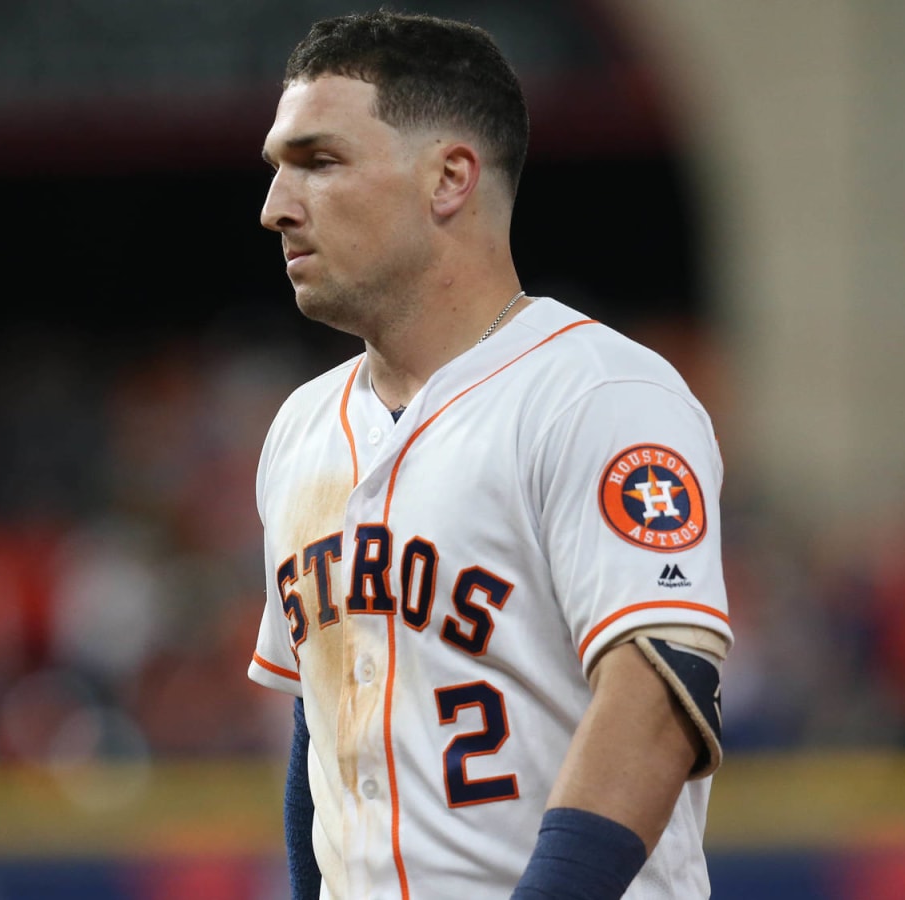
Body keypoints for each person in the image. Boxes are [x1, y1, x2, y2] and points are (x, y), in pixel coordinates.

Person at [246, 11, 731, 900]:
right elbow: (318, 730)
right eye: (278, 167)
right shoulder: (300, 430)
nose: (276, 205)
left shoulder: (599, 393)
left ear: (449, 178)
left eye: (318, 161)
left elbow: (661, 694)